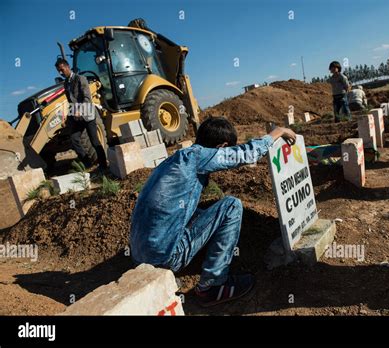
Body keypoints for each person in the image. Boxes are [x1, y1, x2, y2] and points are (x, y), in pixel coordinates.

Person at [129, 116, 296, 307]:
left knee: (199, 212)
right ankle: (213, 287)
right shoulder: (199, 156)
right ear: (222, 147)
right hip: (165, 257)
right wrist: (278, 132)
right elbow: (246, 154)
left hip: (139, 257)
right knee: (231, 206)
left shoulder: (177, 159)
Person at [55, 58, 107, 172]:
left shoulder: (81, 79)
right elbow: (71, 102)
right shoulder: (66, 84)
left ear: (67, 67)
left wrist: (79, 110)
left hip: (87, 114)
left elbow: (87, 98)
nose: (61, 73)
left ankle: (104, 164)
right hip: (76, 117)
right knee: (74, 140)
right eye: (59, 71)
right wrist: (67, 118)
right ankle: (89, 164)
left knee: (94, 141)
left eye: (62, 70)